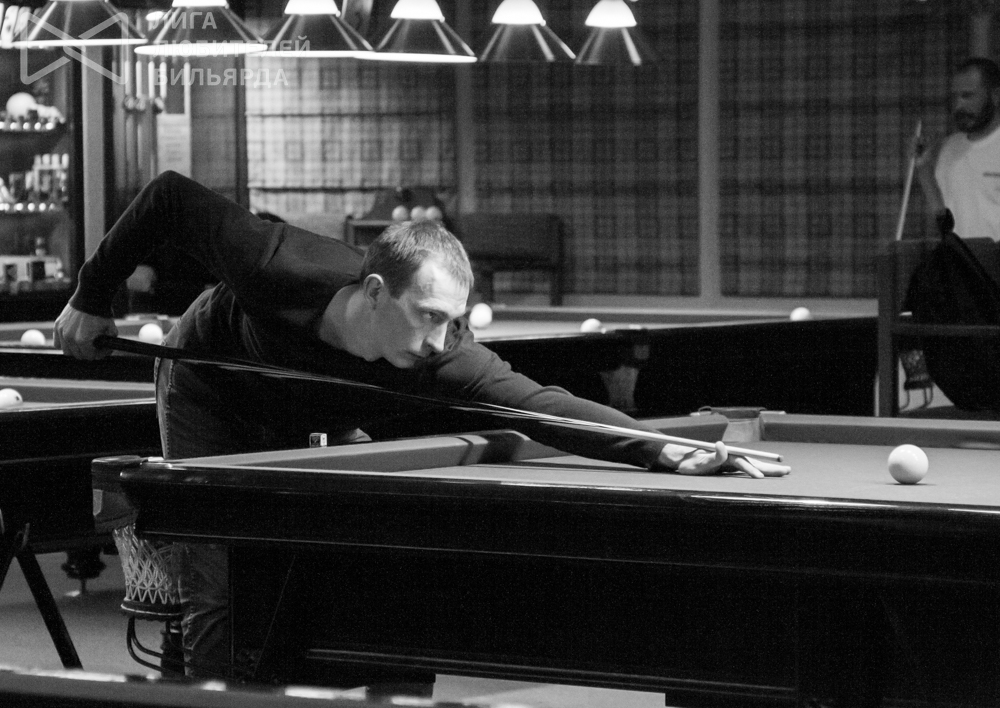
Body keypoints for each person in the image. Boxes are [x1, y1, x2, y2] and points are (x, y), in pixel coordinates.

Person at [54, 171, 787, 685]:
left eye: (453, 320)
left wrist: (665, 448)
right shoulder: (274, 262)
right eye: (428, 315)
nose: (440, 340)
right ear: (375, 293)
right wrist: (92, 295)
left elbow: (543, 404)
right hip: (211, 387)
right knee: (216, 572)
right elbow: (167, 197)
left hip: (307, 410)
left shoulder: (444, 357)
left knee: (314, 558)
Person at [914, 57, 1000, 241]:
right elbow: (942, 216)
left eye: (967, 96)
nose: (959, 105)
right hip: (958, 257)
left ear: (995, 96)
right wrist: (924, 170)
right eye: (955, 97)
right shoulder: (948, 148)